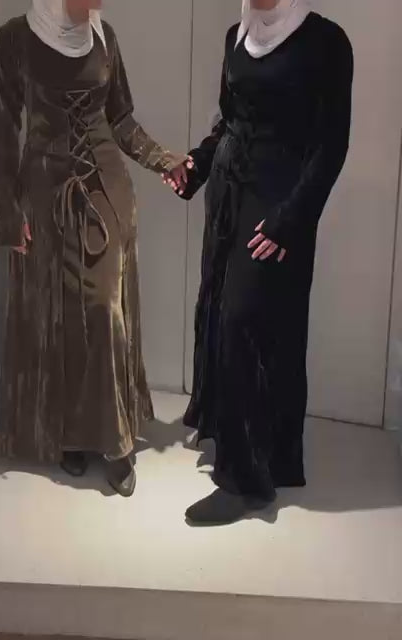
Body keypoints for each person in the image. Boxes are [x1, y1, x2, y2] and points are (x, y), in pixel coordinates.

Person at [0, 0, 190, 497]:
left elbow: (120, 119)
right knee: (60, 317)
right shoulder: (15, 38)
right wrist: (10, 213)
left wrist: (162, 159)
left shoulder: (104, 36)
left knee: (103, 309)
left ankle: (115, 442)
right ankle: (71, 435)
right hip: (46, 195)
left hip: (106, 189)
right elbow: (2, 128)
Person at [165, 0, 353, 524]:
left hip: (279, 204)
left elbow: (332, 146)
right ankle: (246, 446)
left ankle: (245, 480)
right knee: (223, 316)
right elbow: (229, 121)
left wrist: (292, 220)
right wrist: (197, 164)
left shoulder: (326, 42)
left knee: (247, 321)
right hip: (230, 196)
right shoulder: (237, 34)